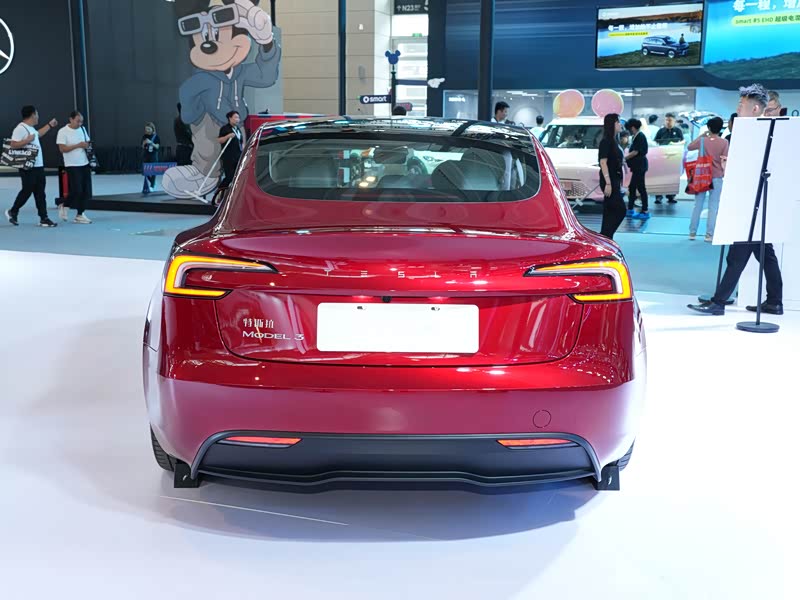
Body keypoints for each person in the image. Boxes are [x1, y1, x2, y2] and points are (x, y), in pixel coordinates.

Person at [688, 84, 783, 316]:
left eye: (741, 104)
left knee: (738, 255)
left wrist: (730, 166)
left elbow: (757, 169)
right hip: (752, 203)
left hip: (751, 204)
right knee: (764, 254)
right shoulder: (753, 132)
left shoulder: (757, 133)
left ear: (755, 109)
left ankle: (719, 302)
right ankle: (774, 301)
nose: (738, 108)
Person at [5, 105, 59, 227]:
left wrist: (49, 125)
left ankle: (44, 218)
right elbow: (13, 144)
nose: (38, 117)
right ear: (33, 115)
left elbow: (38, 134)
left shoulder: (31, 128)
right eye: (37, 114)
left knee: (40, 192)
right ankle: (13, 211)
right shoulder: (20, 128)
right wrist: (27, 140)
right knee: (27, 190)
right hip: (27, 166)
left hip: (38, 165)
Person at [687, 116, 728, 243]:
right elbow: (725, 160)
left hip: (702, 176)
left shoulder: (703, 141)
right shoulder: (724, 142)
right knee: (713, 206)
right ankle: (709, 234)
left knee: (697, 205)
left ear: (709, 128)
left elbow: (689, 147)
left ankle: (692, 232)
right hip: (717, 176)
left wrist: (702, 135)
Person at [56, 111, 93, 224]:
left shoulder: (82, 129)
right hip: (72, 164)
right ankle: (64, 205)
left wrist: (87, 145)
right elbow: (62, 149)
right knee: (77, 190)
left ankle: (80, 214)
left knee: (86, 191)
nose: (80, 124)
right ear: (71, 119)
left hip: (84, 163)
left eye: (81, 121)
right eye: (78, 121)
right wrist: (78, 145)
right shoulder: (62, 131)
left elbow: (87, 142)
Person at [598, 113, 626, 240]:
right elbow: (603, 162)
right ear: (612, 124)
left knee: (609, 211)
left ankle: (606, 236)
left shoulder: (615, 140)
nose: (620, 124)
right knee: (620, 210)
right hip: (609, 180)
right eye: (618, 122)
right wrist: (608, 183)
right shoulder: (606, 141)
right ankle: (606, 235)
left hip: (615, 179)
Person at [654, 113, 685, 204]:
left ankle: (671, 196)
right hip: (662, 157)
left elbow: (682, 141)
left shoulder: (678, 131)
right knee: (660, 177)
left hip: (673, 158)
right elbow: (655, 142)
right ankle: (658, 196)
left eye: (670, 120)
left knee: (672, 177)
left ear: (674, 121)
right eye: (666, 120)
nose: (668, 122)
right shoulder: (661, 131)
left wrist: (676, 144)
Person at [625, 118, 650, 220]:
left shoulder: (640, 136)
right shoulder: (636, 137)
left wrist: (624, 158)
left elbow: (635, 152)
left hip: (640, 166)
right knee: (633, 187)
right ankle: (630, 208)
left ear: (632, 128)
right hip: (637, 166)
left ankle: (645, 210)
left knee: (640, 188)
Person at [217, 110, 244, 190]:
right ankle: (219, 190)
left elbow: (241, 142)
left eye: (238, 118)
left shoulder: (237, 129)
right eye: (235, 117)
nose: (237, 119)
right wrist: (228, 136)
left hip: (238, 156)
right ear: (230, 118)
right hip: (228, 157)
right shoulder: (225, 129)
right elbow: (220, 140)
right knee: (229, 176)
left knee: (237, 176)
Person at [141, 122, 160, 194]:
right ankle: (152, 182)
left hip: (153, 156)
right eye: (146, 129)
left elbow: (157, 147)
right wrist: (144, 143)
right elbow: (142, 146)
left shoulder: (156, 137)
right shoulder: (144, 136)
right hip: (146, 155)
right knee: (145, 171)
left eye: (149, 129)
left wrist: (151, 143)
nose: (147, 131)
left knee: (153, 171)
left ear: (152, 129)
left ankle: (152, 186)